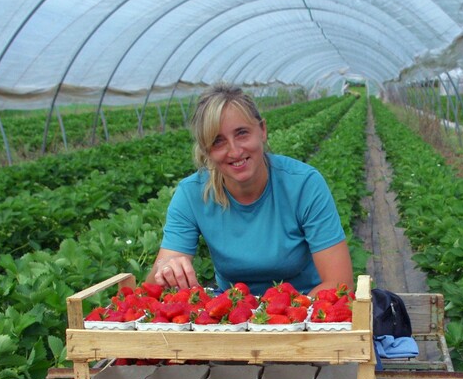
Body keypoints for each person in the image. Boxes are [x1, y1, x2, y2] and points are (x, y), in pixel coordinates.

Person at [147, 84, 353, 297]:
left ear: (262, 130)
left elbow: (340, 284)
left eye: (242, 133)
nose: (235, 151)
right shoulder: (192, 194)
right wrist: (166, 267)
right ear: (206, 150)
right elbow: (153, 289)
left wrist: (284, 315)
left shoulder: (304, 185)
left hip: (306, 304)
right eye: (218, 141)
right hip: (233, 308)